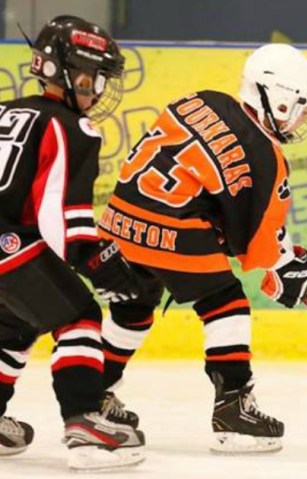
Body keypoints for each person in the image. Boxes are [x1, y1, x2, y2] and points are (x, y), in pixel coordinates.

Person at [95, 43, 307, 454]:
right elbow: (255, 249)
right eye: (302, 106)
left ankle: (94, 394)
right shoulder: (266, 156)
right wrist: (290, 265)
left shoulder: (203, 100)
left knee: (133, 304)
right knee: (226, 303)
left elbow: (206, 185)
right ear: (278, 99)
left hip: (121, 217)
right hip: (171, 227)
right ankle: (234, 409)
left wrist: (275, 257)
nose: (305, 117)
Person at [0, 15, 146, 471]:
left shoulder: (6, 110)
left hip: (7, 246)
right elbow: (64, 213)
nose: (98, 89)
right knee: (78, 314)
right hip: (8, 246)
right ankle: (84, 421)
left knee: (15, 326)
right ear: (61, 71)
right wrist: (99, 263)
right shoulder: (71, 127)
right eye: (91, 77)